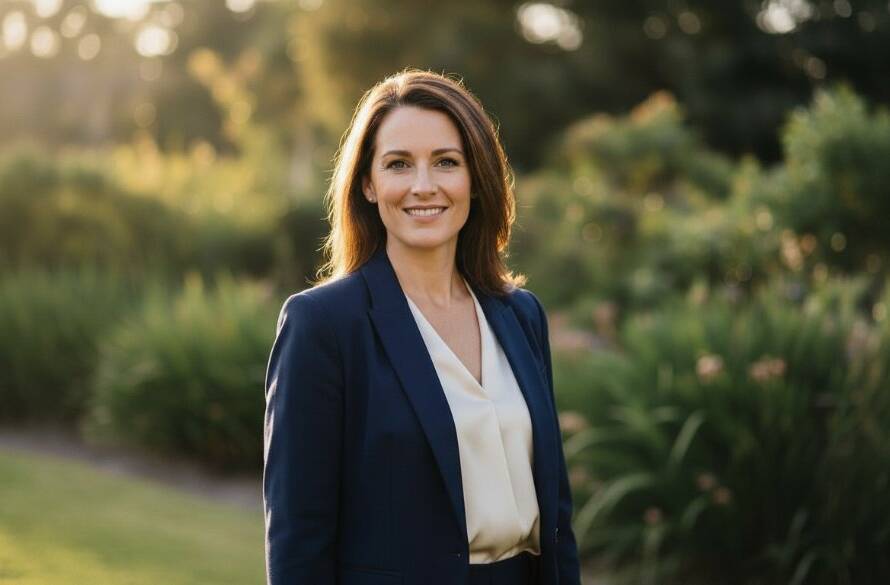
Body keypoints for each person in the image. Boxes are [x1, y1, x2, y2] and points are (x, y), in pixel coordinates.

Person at [263, 68, 581, 585]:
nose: (423, 186)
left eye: (446, 162)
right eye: (398, 164)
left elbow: (558, 515)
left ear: (475, 178)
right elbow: (299, 538)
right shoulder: (323, 325)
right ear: (368, 184)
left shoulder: (521, 315)